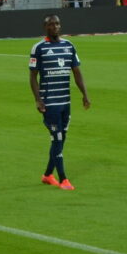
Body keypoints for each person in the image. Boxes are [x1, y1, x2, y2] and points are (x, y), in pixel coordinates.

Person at [29, 14, 90, 190]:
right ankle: (63, 179)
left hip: (65, 101)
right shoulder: (38, 48)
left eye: (57, 23)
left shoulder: (69, 46)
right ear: (45, 27)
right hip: (50, 103)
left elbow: (77, 72)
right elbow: (33, 76)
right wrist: (38, 100)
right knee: (57, 138)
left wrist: (84, 94)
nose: (55, 26)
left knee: (61, 139)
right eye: (51, 24)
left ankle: (48, 175)